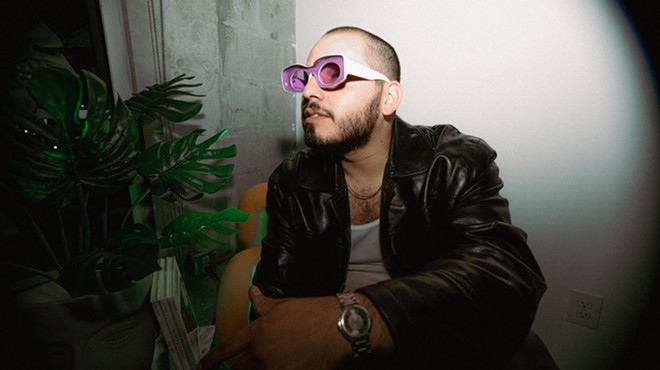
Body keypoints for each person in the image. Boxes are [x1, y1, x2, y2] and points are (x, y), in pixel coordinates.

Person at [199, 26, 547, 370]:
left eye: (331, 73)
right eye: (303, 77)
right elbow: (273, 295)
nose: (309, 91)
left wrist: (354, 320)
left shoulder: (453, 162)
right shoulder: (292, 180)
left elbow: (502, 274)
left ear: (388, 97)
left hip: (428, 344)